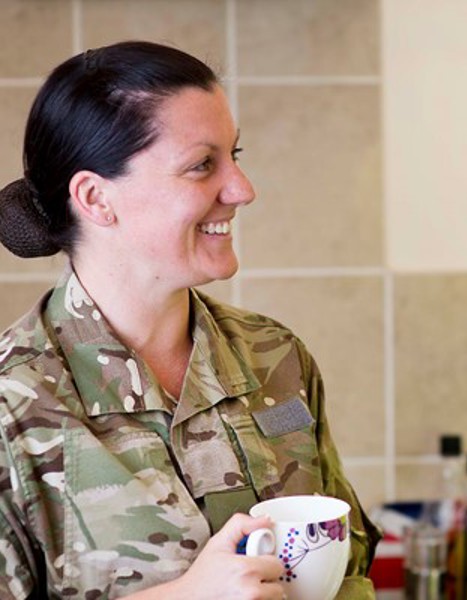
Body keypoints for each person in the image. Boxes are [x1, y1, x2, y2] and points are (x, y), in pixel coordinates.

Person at [0, 40, 380, 599]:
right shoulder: (13, 405)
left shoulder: (274, 356)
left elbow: (349, 570)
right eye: (202, 165)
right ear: (97, 198)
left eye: (235, 156)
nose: (242, 190)